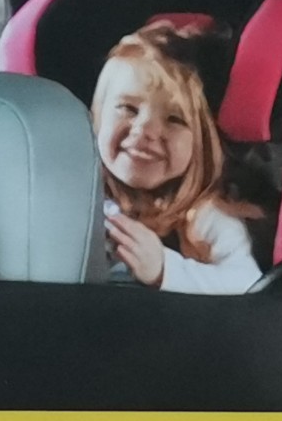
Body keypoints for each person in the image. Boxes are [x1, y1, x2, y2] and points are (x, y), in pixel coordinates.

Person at [90, 26, 263, 294]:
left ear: (203, 143)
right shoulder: (78, 196)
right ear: (98, 116)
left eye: (174, 119)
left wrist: (164, 269)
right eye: (128, 108)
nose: (145, 130)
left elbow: (248, 283)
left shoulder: (206, 217)